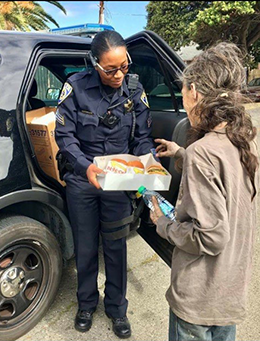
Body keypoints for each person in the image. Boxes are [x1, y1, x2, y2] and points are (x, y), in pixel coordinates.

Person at [150, 42, 259, 341]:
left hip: (199, 296)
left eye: (183, 91)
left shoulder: (203, 153)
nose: (183, 99)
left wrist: (163, 223)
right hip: (229, 288)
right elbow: (226, 181)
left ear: (194, 91)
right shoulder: (243, 139)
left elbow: (210, 236)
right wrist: (182, 154)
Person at [55, 30, 153, 338]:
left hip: (119, 180)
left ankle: (117, 309)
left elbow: (142, 138)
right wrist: (85, 168)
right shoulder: (76, 87)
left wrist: (149, 167)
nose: (118, 74)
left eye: (123, 66)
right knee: (85, 247)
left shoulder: (134, 89)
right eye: (110, 69)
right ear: (95, 64)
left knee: (115, 246)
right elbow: (64, 136)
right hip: (83, 180)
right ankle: (86, 304)